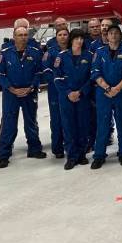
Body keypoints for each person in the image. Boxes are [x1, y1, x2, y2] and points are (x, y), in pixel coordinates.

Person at [0, 24, 45, 167]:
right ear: (14, 37)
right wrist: (11, 88)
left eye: (25, 35)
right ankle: (3, 154)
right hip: (11, 94)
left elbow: (39, 73)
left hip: (29, 93)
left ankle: (34, 149)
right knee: (9, 124)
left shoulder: (35, 52)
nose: (23, 38)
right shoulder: (5, 53)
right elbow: (0, 74)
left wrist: (31, 87)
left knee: (31, 122)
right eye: (20, 35)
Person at [90, 24, 122, 169]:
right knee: (102, 125)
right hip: (103, 94)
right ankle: (99, 156)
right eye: (111, 33)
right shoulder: (99, 52)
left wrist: (117, 88)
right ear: (106, 36)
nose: (113, 35)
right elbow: (95, 72)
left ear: (120, 35)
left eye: (116, 33)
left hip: (121, 93)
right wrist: (107, 88)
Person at [54, 28, 93, 170]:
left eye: (81, 38)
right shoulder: (61, 56)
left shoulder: (89, 56)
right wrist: (69, 93)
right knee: (68, 126)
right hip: (66, 98)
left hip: (83, 97)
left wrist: (81, 92)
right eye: (76, 38)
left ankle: (81, 154)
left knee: (83, 125)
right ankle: (71, 156)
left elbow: (92, 77)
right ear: (71, 40)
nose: (79, 41)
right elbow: (57, 78)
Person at [41, 25, 70, 159]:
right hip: (55, 90)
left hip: (71, 89)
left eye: (65, 34)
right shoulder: (50, 52)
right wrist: (59, 81)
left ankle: (71, 146)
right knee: (56, 119)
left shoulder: (74, 50)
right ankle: (57, 148)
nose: (63, 37)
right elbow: (46, 70)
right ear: (56, 37)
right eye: (60, 35)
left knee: (70, 119)